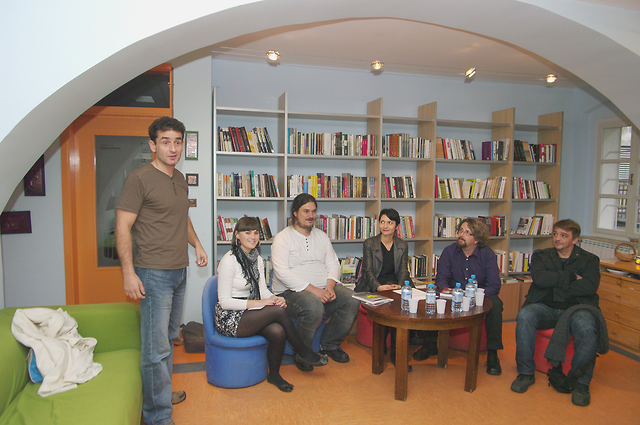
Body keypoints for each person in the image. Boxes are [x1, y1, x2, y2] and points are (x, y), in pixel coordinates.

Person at [116, 116, 208, 425]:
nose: (172, 148)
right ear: (153, 145)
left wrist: (197, 244)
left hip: (179, 270)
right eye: (165, 142)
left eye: (177, 142)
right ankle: (157, 416)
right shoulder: (138, 179)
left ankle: (161, 395)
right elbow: (122, 227)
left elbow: (182, 217)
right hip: (152, 272)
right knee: (154, 349)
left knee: (169, 339)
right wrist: (128, 272)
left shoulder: (179, 178)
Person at [216, 217, 328, 392]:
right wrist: (262, 303)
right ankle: (303, 351)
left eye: (256, 233)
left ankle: (274, 375)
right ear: (237, 235)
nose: (253, 237)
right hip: (230, 317)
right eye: (247, 232)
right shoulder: (229, 260)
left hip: (249, 313)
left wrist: (275, 298)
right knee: (278, 312)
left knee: (278, 330)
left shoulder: (257, 259)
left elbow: (262, 290)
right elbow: (224, 302)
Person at [511, 219, 606, 407]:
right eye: (555, 234)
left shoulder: (589, 260)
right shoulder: (541, 256)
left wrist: (555, 284)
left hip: (576, 308)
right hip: (545, 307)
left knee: (587, 327)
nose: (557, 239)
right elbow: (540, 279)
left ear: (575, 239)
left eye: (563, 235)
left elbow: (589, 287)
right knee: (525, 316)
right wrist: (571, 277)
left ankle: (581, 382)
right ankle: (525, 373)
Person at [271, 193, 360, 371]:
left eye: (313, 211)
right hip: (289, 293)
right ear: (295, 212)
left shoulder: (321, 236)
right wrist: (315, 291)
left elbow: (333, 264)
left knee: (352, 299)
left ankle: (330, 344)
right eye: (306, 211)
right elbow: (282, 273)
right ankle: (302, 353)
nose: (311, 215)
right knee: (313, 306)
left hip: (322, 289)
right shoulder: (282, 238)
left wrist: (330, 286)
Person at [432, 217, 504, 375]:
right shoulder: (449, 251)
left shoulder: (487, 254)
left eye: (467, 232)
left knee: (496, 304)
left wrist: (475, 295)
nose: (461, 235)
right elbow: (441, 279)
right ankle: (430, 345)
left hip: (479, 295)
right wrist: (448, 291)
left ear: (477, 239)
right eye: (460, 231)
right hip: (454, 294)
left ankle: (493, 354)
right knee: (432, 297)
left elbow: (494, 285)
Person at [356, 208, 411, 367]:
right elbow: (368, 271)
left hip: (395, 285)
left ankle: (396, 352)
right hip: (375, 285)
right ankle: (382, 349)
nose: (385, 226)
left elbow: (403, 270)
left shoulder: (402, 245)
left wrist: (399, 286)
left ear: (397, 226)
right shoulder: (370, 243)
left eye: (390, 222)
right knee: (386, 308)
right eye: (382, 222)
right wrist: (379, 287)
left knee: (401, 309)